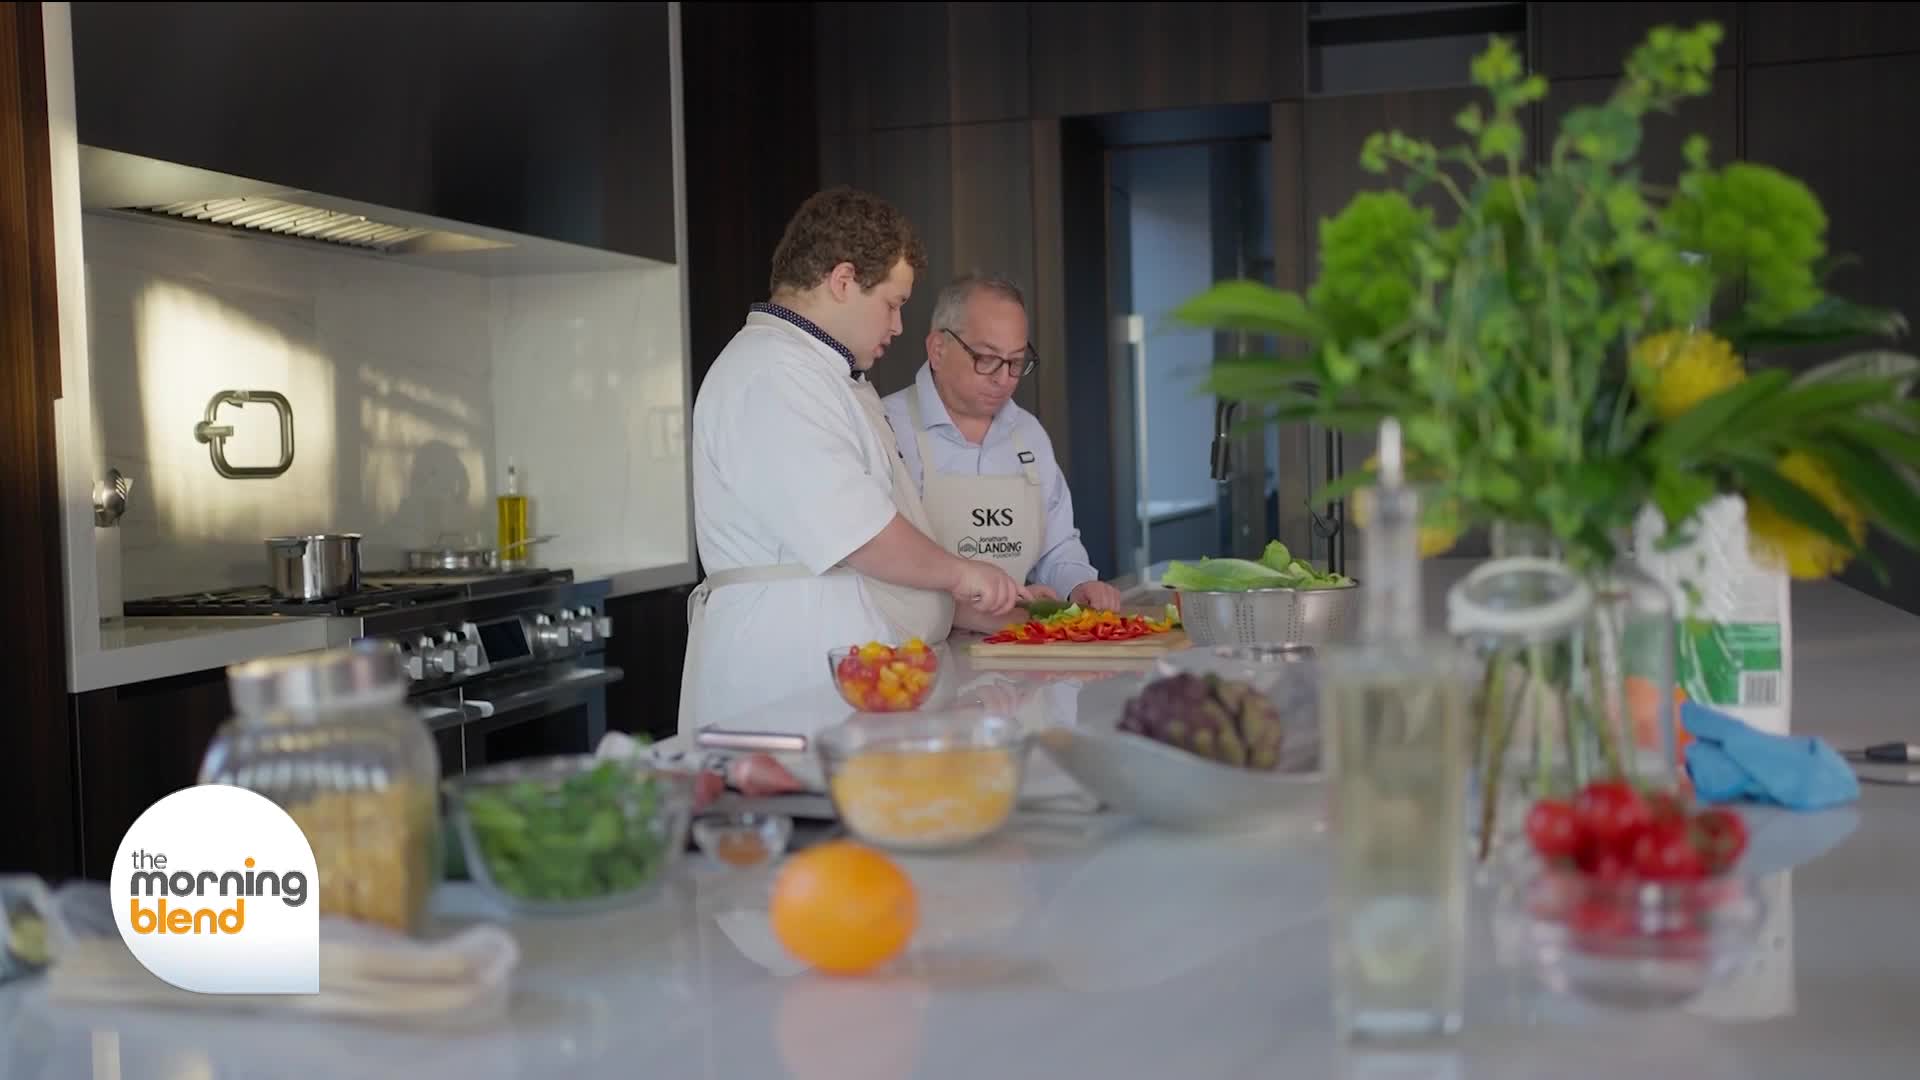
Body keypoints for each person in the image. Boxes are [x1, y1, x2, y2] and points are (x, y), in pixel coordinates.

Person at [679, 189, 1029, 735]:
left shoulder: (828, 376)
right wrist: (963, 574)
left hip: (843, 676)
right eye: (892, 303)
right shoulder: (771, 373)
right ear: (843, 281)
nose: (897, 325)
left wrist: (970, 604)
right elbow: (858, 534)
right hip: (783, 676)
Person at [881, 273, 1126, 622]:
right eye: (987, 358)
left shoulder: (1029, 433)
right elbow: (877, 556)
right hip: (915, 646)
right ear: (938, 349)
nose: (1003, 379)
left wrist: (1078, 585)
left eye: (1016, 362)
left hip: (1013, 641)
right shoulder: (887, 426)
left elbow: (1057, 545)